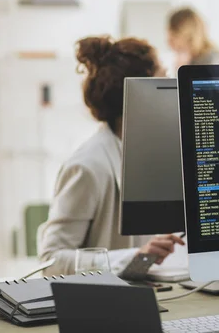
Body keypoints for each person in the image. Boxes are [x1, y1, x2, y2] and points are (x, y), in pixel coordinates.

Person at [38, 36, 185, 276]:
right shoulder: (88, 166)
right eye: (164, 77)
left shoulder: (155, 155)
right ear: (139, 93)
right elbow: (51, 260)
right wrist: (134, 256)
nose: (172, 89)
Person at [167, 7, 219, 71]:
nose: (169, 42)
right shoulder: (189, 58)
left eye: (173, 36)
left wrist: (184, 69)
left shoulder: (211, 59)